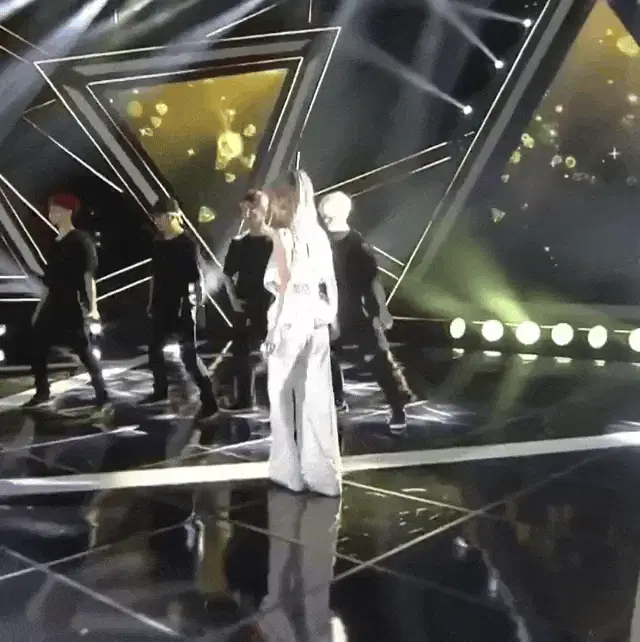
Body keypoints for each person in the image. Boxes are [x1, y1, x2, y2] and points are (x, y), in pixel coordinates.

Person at [263, 170, 341, 497]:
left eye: (283, 195)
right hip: (316, 318)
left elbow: (282, 287)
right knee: (317, 397)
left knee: (282, 396)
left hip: (291, 319)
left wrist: (273, 330)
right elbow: (330, 282)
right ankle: (324, 476)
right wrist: (331, 314)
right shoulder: (319, 235)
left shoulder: (284, 235)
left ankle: (289, 472)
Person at [318, 190, 414, 431]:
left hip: (358, 310)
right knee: (324, 355)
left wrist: (382, 310)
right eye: (324, 216)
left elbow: (373, 280)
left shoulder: (357, 244)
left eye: (330, 216)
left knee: (377, 358)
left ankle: (397, 406)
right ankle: (336, 400)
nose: (327, 220)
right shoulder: (320, 243)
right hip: (330, 310)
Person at [23, 193, 108, 409]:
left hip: (72, 302)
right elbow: (49, 282)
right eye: (51, 210)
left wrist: (93, 307)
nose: (51, 214)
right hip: (53, 302)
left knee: (83, 349)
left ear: (68, 212)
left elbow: (88, 276)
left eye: (56, 210)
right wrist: (38, 310)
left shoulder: (81, 240)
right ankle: (42, 391)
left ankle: (101, 391)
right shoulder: (55, 243)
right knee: (37, 345)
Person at [142, 197, 218, 420]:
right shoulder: (158, 242)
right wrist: (151, 301)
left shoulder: (187, 244)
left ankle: (210, 401)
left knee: (189, 356)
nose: (157, 222)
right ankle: (160, 390)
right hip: (161, 304)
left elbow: (197, 277)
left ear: (172, 217)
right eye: (155, 218)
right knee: (154, 349)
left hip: (182, 305)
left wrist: (196, 306)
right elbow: (154, 275)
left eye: (160, 217)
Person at [222, 189, 273, 409]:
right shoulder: (239, 243)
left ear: (264, 210)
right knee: (241, 354)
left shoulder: (276, 241)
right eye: (244, 209)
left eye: (253, 209)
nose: (248, 214)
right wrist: (233, 300)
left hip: (271, 303)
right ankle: (244, 400)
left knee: (277, 352)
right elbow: (227, 274)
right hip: (245, 303)